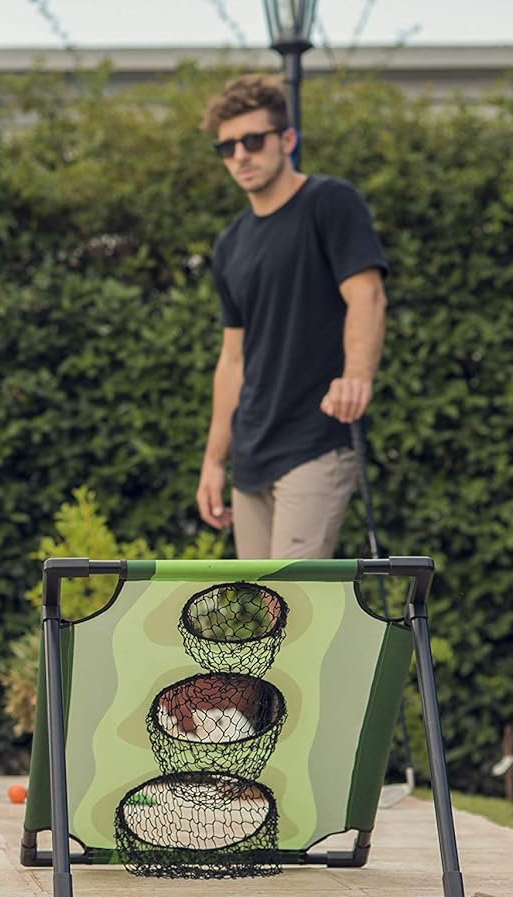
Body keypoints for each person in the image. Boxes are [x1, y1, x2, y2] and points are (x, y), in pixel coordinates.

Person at [195, 74, 388, 560]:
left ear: (287, 140)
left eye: (253, 141)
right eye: (227, 147)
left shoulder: (329, 203)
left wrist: (356, 377)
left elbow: (367, 295)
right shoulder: (230, 244)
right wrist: (214, 462)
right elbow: (232, 359)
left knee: (291, 603)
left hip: (314, 441)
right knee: (261, 620)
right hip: (250, 453)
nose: (240, 155)